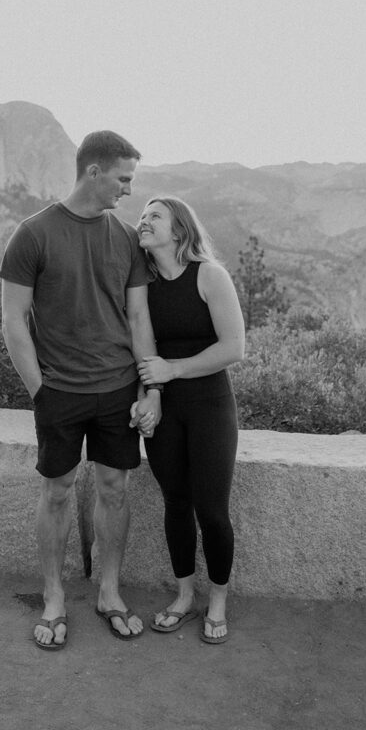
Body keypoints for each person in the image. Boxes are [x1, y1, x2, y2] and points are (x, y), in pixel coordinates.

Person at [0, 131, 162, 650]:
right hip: (59, 393)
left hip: (118, 389)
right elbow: (13, 321)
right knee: (57, 491)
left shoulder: (125, 240)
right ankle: (52, 596)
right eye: (123, 178)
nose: (128, 190)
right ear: (94, 172)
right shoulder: (33, 234)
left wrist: (147, 385)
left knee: (115, 489)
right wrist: (39, 391)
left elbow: (138, 317)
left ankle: (109, 592)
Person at [136, 196, 245, 643]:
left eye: (154, 216)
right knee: (175, 504)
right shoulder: (142, 285)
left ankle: (217, 600)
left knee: (212, 511)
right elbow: (142, 350)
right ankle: (184, 596)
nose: (143, 221)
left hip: (210, 407)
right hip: (164, 409)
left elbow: (234, 348)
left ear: (179, 229)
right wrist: (152, 395)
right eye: (141, 216)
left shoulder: (210, 276)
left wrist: (173, 369)